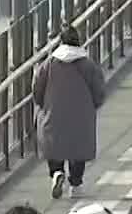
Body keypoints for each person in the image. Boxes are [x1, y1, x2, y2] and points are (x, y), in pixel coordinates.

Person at [34, 24, 108, 200]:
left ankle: (56, 172)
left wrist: (42, 104)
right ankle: (75, 183)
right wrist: (93, 106)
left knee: (54, 145)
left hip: (53, 113)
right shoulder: (88, 64)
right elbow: (99, 91)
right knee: (78, 148)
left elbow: (37, 88)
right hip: (81, 116)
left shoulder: (49, 64)